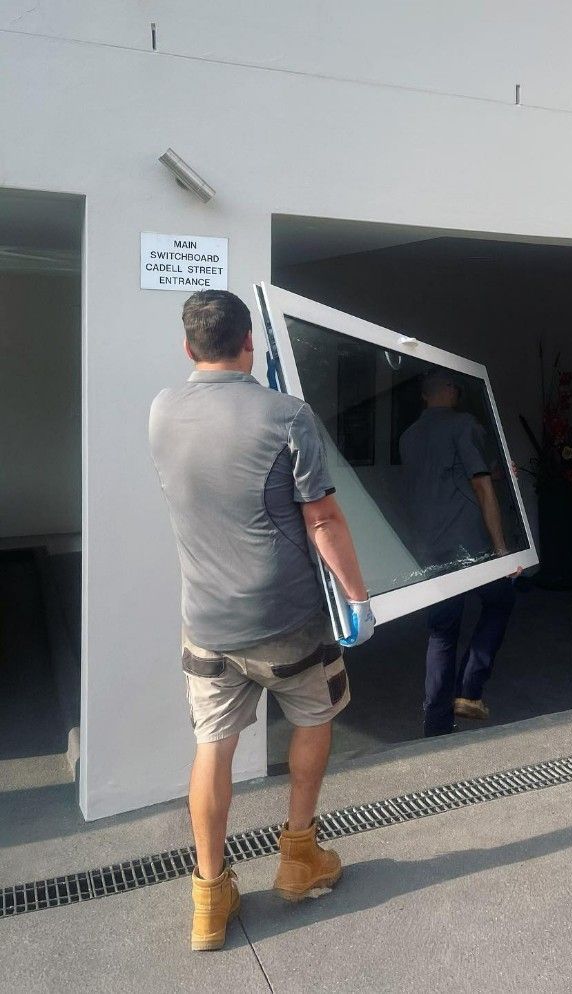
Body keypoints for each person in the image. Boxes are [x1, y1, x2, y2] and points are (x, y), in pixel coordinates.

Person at [149, 290, 374, 952]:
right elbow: (324, 519)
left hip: (207, 624)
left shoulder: (161, 410)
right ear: (250, 342)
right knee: (313, 718)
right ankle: (299, 858)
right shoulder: (287, 415)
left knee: (213, 746)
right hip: (288, 621)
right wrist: (357, 597)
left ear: (188, 348)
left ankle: (209, 898)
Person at [399, 367, 517, 737]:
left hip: (431, 547)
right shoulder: (465, 424)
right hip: (471, 546)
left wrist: (497, 473)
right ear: (449, 390)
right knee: (500, 601)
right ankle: (469, 689)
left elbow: (443, 479)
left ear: (424, 396)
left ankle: (436, 725)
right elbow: (481, 487)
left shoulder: (408, 436)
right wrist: (501, 552)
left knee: (441, 633)